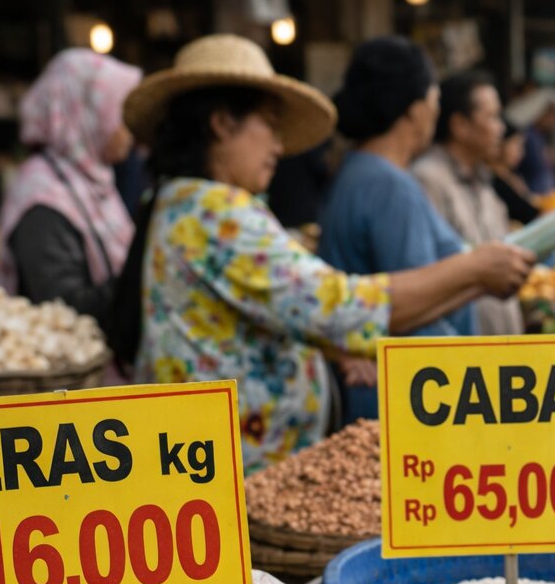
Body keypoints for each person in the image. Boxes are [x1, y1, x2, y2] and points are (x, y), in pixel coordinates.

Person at [118, 35, 533, 465]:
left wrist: (330, 345)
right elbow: (337, 307)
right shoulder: (213, 212)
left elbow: (278, 307)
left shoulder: (178, 201)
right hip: (238, 469)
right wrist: (472, 271)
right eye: (270, 125)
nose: (279, 147)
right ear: (223, 123)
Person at [318, 38, 477, 421]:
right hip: (404, 403)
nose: (436, 109)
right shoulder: (388, 186)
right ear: (415, 108)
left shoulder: (358, 170)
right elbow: (411, 306)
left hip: (384, 393)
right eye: (434, 96)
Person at [0, 49, 142, 321]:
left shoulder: (94, 180)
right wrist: (148, 275)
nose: (129, 129)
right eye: (120, 114)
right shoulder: (43, 201)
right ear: (86, 116)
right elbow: (64, 311)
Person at [414, 70, 522, 337]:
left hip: (500, 341)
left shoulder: (484, 179)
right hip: (461, 352)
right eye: (492, 117)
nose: (501, 128)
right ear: (460, 125)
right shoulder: (428, 180)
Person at [493, 122, 540, 224]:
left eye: (522, 146)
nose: (521, 153)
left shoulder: (514, 176)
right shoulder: (492, 180)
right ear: (500, 144)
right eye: (516, 145)